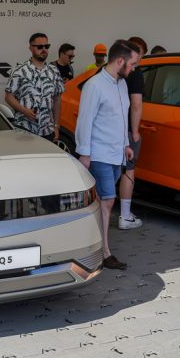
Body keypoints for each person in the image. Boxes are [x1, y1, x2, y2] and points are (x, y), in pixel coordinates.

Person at [75, 39, 141, 270]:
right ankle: (104, 252)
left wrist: (125, 144)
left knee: (103, 202)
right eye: (132, 64)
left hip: (116, 153)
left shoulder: (121, 83)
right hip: (99, 152)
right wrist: (84, 153)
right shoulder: (94, 85)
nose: (134, 69)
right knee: (107, 200)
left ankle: (93, 245)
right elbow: (85, 121)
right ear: (120, 61)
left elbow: (120, 118)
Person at [5, 33, 64, 142]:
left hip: (47, 130)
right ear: (31, 48)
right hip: (24, 128)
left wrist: (56, 126)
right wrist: (24, 111)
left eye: (46, 46)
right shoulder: (19, 71)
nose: (44, 49)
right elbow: (9, 97)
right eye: (39, 47)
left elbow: (57, 99)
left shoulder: (54, 71)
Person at [117, 36, 148, 230]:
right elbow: (136, 104)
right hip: (127, 129)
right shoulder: (135, 74)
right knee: (129, 171)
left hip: (110, 129)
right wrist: (135, 131)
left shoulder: (110, 71)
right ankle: (125, 216)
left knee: (109, 171)